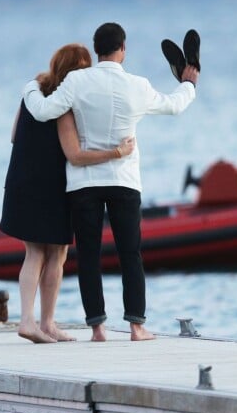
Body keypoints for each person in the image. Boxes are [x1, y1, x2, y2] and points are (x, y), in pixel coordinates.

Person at [23, 23, 199, 342]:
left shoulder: (77, 81)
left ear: (96, 49)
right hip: (125, 179)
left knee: (88, 255)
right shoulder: (138, 85)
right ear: (123, 49)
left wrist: (30, 88)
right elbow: (174, 105)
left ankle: (97, 328)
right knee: (130, 253)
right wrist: (189, 84)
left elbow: (43, 111)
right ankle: (136, 327)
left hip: (84, 183)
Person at [0, 43, 135, 344]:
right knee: (53, 254)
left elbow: (13, 136)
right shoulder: (68, 103)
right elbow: (74, 153)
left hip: (21, 181)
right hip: (51, 185)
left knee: (33, 252)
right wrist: (117, 151)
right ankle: (36, 322)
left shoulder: (32, 93)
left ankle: (40, 323)